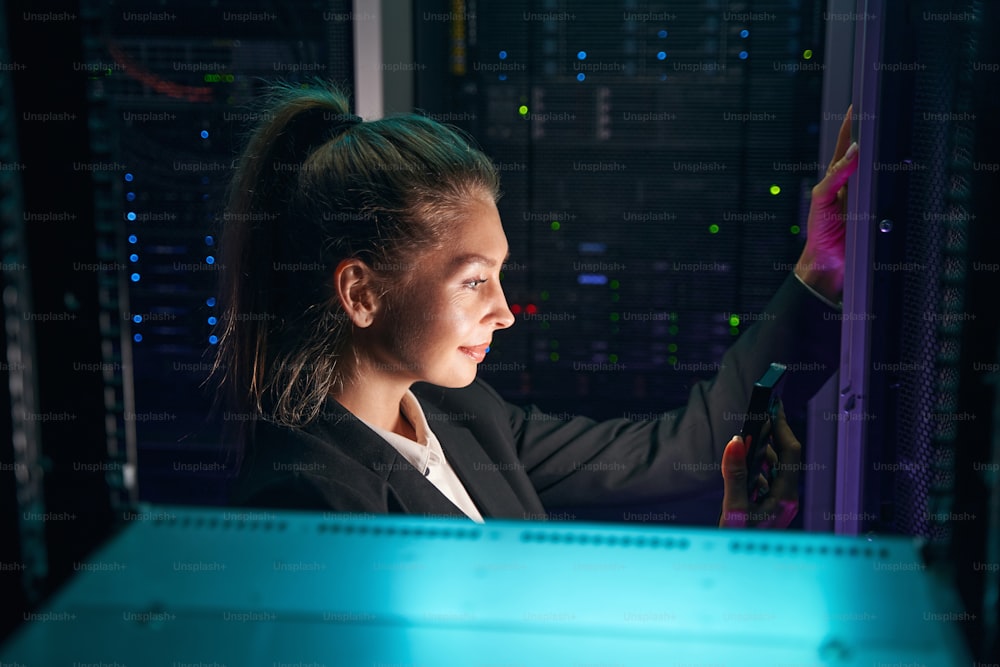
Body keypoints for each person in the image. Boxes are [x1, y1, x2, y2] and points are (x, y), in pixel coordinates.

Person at [212, 82, 859, 528]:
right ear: (361, 293)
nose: (503, 311)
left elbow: (679, 447)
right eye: (473, 280)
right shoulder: (307, 502)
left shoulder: (458, 413)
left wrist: (820, 270)